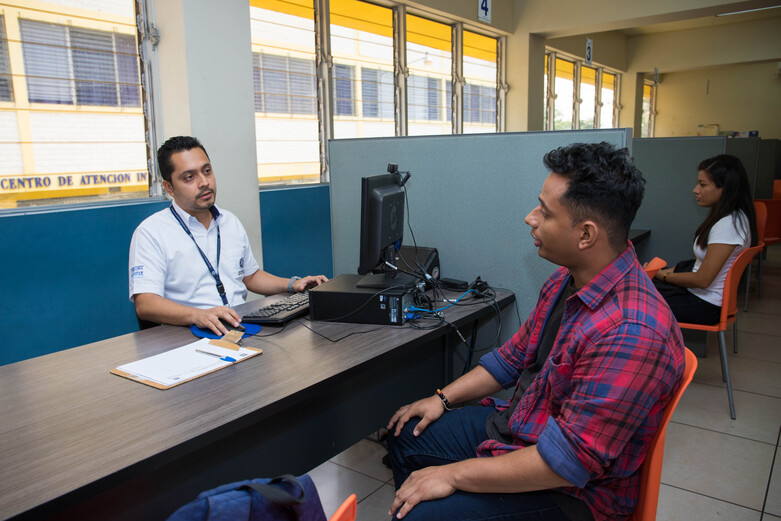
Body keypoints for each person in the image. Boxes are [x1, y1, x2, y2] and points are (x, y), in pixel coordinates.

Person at [386, 142, 685, 521]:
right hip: (527, 428)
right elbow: (510, 360)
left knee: (421, 514)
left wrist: (452, 475)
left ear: (586, 234)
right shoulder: (567, 279)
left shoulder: (632, 331)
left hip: (573, 493)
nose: (531, 218)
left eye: (545, 212)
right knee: (404, 433)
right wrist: (441, 398)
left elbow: (566, 463)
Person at [129, 136, 327, 335]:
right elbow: (145, 304)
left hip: (240, 326)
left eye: (207, 171)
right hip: (188, 335)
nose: (204, 182)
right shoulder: (151, 233)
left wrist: (292, 284)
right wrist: (198, 315)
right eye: (189, 177)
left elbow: (250, 276)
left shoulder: (229, 221)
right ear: (169, 187)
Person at [652, 154, 757, 325]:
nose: (696, 190)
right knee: (642, 287)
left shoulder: (728, 225)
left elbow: (702, 280)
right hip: (703, 298)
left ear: (725, 188)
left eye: (703, 184)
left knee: (634, 302)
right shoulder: (735, 218)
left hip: (704, 305)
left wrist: (662, 275)